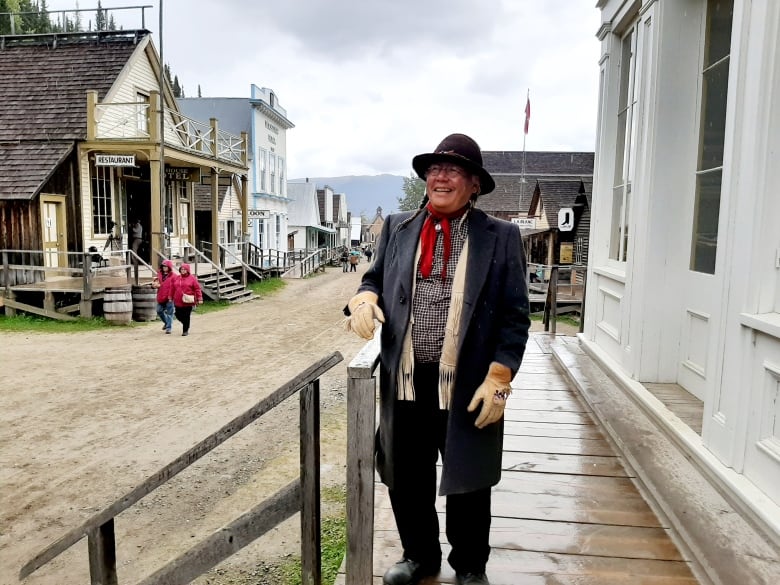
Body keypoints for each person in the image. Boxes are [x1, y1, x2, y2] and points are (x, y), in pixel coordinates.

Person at [343, 133, 530, 585]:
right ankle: (419, 556)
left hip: (469, 382)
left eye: (453, 171)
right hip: (405, 378)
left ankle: (469, 565)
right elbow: (373, 278)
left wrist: (501, 376)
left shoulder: (500, 237)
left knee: (470, 477)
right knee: (406, 475)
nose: (440, 177)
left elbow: (514, 315)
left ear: (474, 186)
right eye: (434, 170)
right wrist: (365, 298)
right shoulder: (399, 226)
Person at [172, 263, 203, 336]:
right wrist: (170, 296)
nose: (183, 271)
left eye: (184, 269)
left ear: (187, 270)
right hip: (178, 300)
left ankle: (185, 330)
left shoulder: (192, 278)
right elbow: (173, 288)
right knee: (177, 314)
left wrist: (200, 298)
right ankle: (186, 323)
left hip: (188, 300)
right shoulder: (177, 278)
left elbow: (197, 289)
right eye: (181, 269)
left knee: (186, 315)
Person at [152, 259, 176, 334]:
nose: (164, 268)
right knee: (159, 311)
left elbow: (176, 286)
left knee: (169, 313)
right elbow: (156, 283)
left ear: (169, 267)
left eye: (166, 266)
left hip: (170, 297)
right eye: (163, 266)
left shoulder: (174, 276)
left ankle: (168, 328)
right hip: (161, 296)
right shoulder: (159, 274)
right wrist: (153, 285)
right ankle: (166, 323)